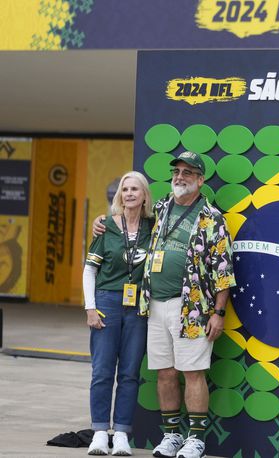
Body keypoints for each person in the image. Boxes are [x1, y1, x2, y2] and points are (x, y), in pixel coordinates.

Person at [93, 151, 235, 458]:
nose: (180, 176)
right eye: (177, 171)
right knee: (165, 373)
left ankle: (195, 439)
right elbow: (126, 224)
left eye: (188, 172)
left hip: (193, 308)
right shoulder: (159, 209)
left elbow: (223, 270)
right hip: (154, 305)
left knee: (193, 372)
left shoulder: (212, 217)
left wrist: (219, 312)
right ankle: (171, 436)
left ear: (201, 179)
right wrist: (102, 222)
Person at [84, 171, 154, 456]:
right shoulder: (106, 227)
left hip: (138, 306)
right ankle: (100, 432)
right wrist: (90, 308)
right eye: (124, 189)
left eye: (135, 189)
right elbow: (90, 269)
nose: (129, 194)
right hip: (107, 301)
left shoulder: (155, 227)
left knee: (129, 373)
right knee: (102, 370)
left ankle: (122, 433)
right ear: (118, 195)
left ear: (144, 195)